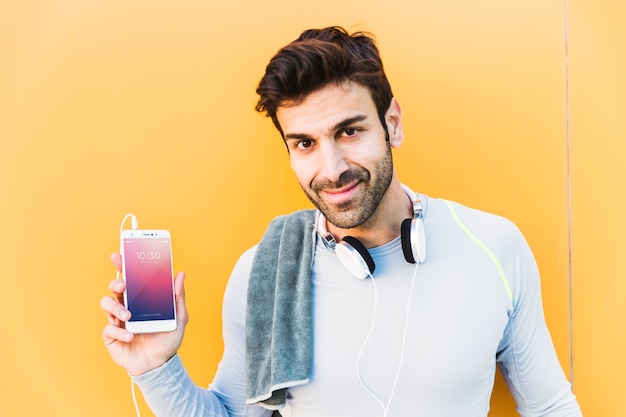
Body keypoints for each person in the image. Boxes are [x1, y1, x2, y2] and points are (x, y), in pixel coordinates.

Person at [101, 26, 582, 417]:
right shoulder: (262, 275)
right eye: (304, 143)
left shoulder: (494, 248)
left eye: (349, 131)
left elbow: (551, 407)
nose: (331, 169)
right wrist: (156, 367)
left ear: (391, 123)